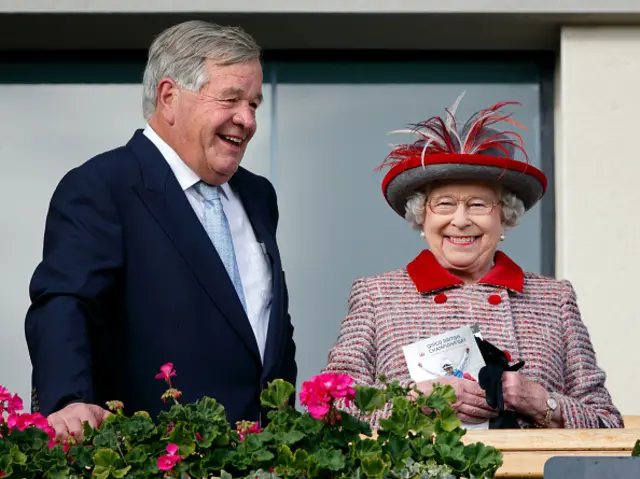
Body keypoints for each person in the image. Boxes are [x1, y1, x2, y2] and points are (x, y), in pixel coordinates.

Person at [25, 20, 297, 441]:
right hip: (152, 455)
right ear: (169, 97)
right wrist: (68, 400)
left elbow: (265, 324)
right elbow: (64, 302)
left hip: (261, 458)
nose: (246, 119)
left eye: (255, 104)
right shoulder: (104, 185)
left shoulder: (258, 195)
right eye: (230, 99)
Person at [324, 95, 622, 429]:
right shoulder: (376, 296)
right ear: (422, 216)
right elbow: (329, 404)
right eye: (445, 203)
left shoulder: (555, 299)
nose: (461, 220)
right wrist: (415, 400)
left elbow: (606, 423)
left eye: (479, 204)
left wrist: (540, 401)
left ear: (504, 216)